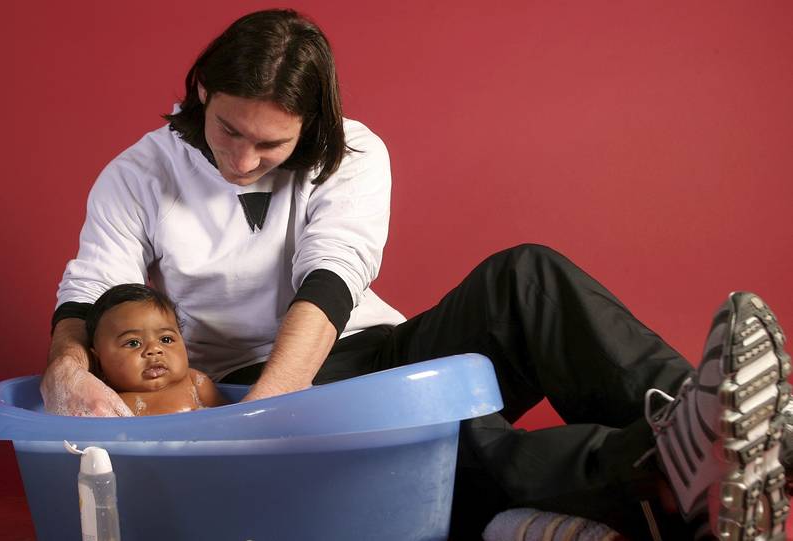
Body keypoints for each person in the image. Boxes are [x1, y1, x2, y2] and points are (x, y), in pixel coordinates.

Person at [40, 8, 792, 540]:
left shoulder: (354, 150)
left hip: (360, 347)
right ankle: (664, 470)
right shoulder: (137, 174)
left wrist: (272, 414)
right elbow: (89, 293)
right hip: (247, 382)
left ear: (311, 127)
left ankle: (714, 420)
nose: (242, 158)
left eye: (270, 146)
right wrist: (68, 372)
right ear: (203, 88)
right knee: (441, 434)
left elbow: (331, 277)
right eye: (229, 129)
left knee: (526, 276)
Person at [81, 283, 227, 416]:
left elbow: (227, 420)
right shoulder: (103, 400)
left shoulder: (196, 383)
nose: (154, 349)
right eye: (133, 343)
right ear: (98, 361)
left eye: (166, 339)